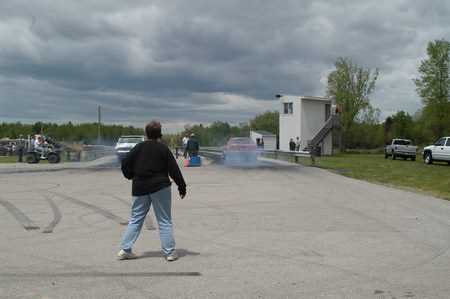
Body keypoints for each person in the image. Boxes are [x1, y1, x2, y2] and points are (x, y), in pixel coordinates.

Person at [118, 120, 187, 262]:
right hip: (160, 187)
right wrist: (182, 186)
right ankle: (169, 252)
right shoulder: (163, 149)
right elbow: (174, 169)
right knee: (164, 220)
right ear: (160, 134)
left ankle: (125, 249)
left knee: (136, 219)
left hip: (140, 187)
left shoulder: (138, 148)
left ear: (146, 133)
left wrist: (130, 175)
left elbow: (125, 163)